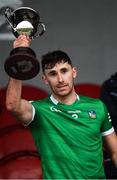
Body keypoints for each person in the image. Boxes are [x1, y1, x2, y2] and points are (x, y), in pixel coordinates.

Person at [5, 35, 117, 179]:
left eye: (64, 71)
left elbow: (114, 151)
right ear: (45, 80)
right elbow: (12, 105)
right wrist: (18, 56)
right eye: (53, 74)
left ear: (74, 72)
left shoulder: (97, 107)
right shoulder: (39, 110)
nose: (60, 79)